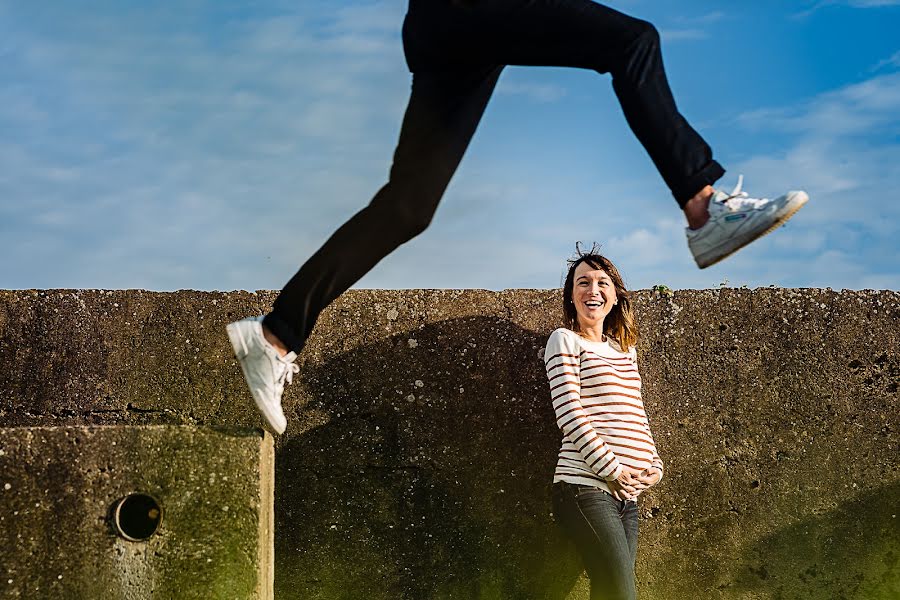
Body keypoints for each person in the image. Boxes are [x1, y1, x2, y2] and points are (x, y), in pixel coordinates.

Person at [225, 0, 808, 434]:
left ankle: (274, 336)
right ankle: (703, 208)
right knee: (632, 42)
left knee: (408, 205)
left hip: (446, 26)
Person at [546, 249, 663, 600]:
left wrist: (654, 467)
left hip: (628, 495)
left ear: (614, 296)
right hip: (584, 487)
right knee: (621, 592)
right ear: (571, 294)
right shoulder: (564, 340)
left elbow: (635, 413)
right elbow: (569, 413)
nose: (592, 289)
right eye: (583, 282)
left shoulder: (625, 351)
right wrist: (611, 469)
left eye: (602, 282)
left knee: (611, 591)